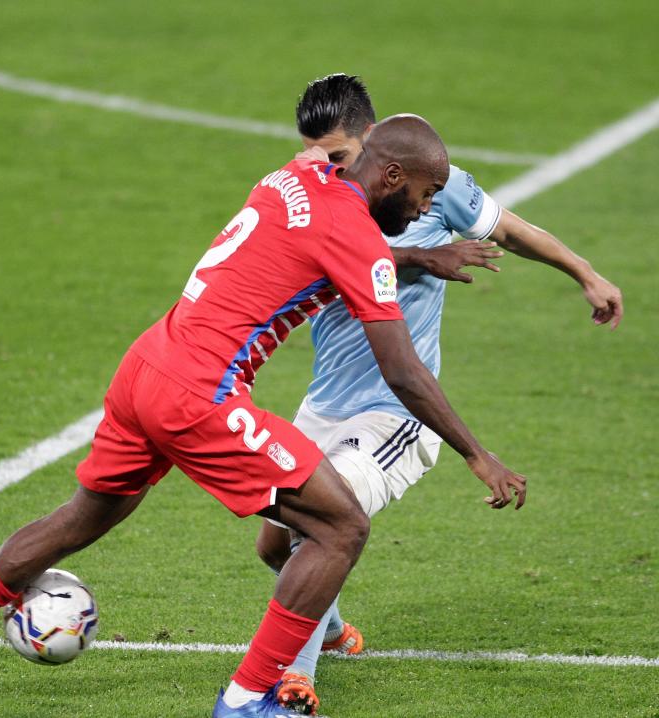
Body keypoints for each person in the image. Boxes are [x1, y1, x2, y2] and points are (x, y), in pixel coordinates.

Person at [0, 115, 526, 718]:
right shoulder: (356, 235)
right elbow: (403, 372)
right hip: (198, 393)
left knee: (82, 516)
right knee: (340, 527)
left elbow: (321, 214)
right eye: (424, 193)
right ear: (390, 176)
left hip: (146, 365)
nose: (424, 210)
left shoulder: (293, 176)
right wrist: (477, 453)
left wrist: (415, 257)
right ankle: (248, 700)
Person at [255, 74, 623, 715]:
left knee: (320, 528)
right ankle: (334, 628)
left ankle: (294, 680)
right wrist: (423, 260)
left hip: (398, 411)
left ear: (378, 150)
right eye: (316, 156)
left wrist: (584, 273)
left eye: (339, 157)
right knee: (272, 543)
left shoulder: (431, 189)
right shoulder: (312, 197)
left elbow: (508, 230)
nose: (327, 170)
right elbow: (337, 266)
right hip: (326, 401)